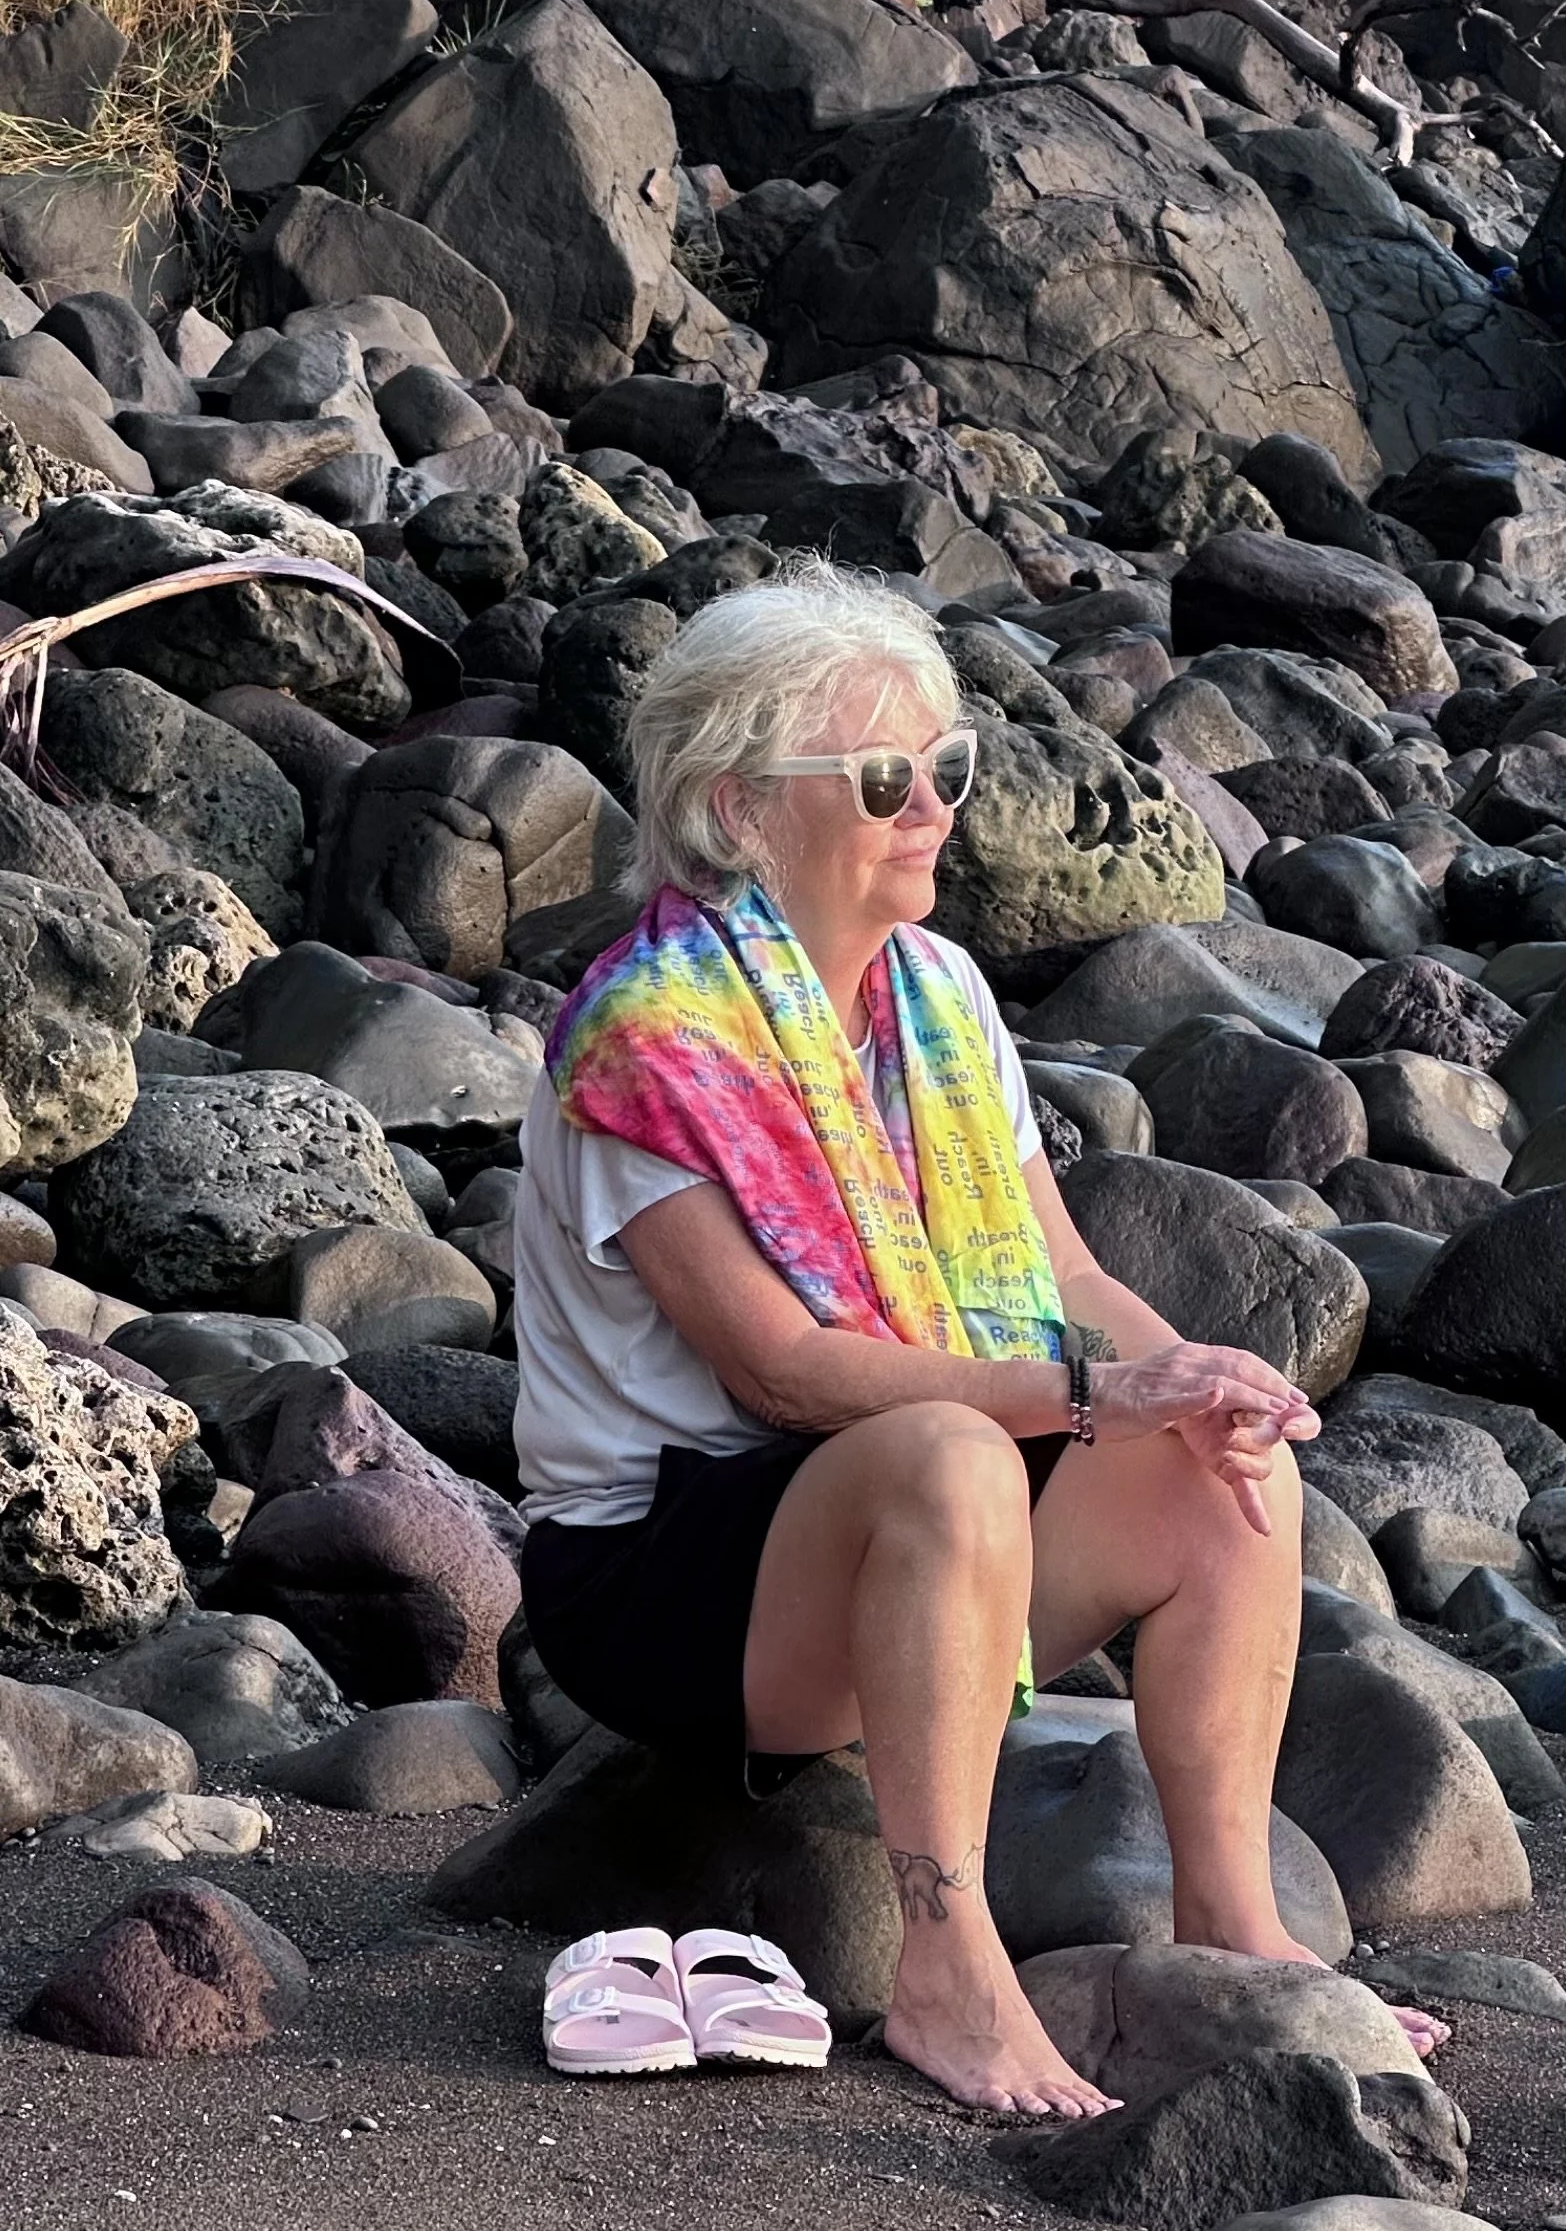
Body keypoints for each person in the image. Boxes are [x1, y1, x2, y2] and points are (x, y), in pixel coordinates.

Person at [513, 561, 1427, 2121]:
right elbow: (781, 1372)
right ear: (738, 811)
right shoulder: (647, 1044)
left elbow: (1059, 1272)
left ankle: (1236, 1928)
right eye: (883, 779)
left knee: (1221, 1468)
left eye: (947, 768)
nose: (931, 805)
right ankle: (949, 1968)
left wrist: (1194, 1383)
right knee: (952, 1454)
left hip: (893, 1522)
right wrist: (1089, 1399)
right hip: (662, 1575)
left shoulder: (935, 996)